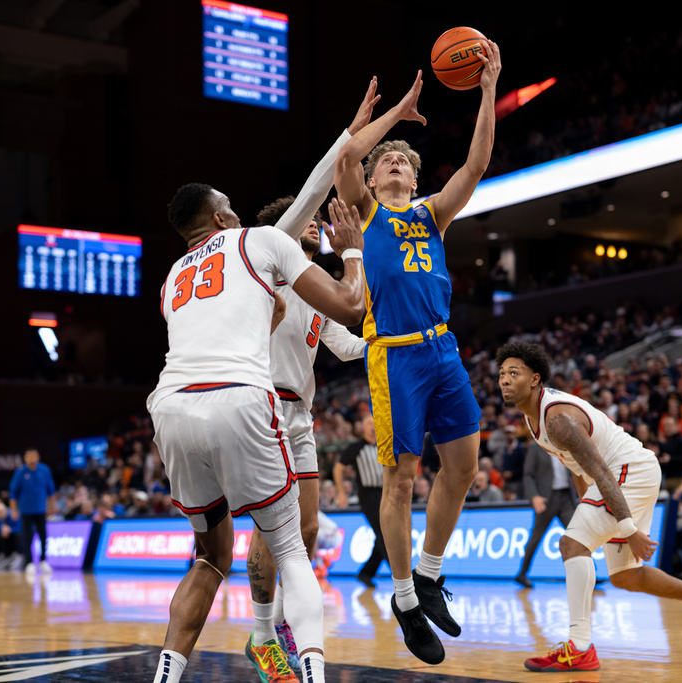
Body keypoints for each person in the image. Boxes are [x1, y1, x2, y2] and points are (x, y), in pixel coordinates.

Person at [145, 182, 367, 683]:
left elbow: (349, 341)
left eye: (313, 219)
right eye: (302, 217)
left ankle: (237, 645)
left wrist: (399, 345)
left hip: (275, 411)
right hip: (249, 400)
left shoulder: (309, 284)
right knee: (282, 540)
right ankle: (267, 633)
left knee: (301, 533)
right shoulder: (260, 257)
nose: (310, 222)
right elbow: (315, 188)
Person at [333, 41, 502, 665]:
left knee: (463, 467)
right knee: (402, 479)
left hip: (444, 351)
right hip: (395, 356)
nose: (400, 164)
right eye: (392, 162)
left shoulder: (432, 217)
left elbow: (476, 164)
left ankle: (429, 576)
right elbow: (348, 151)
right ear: (376, 181)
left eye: (407, 161)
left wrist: (487, 89)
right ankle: (403, 598)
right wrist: (399, 112)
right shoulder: (367, 211)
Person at [496, 341, 682, 672]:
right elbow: (578, 468)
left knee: (571, 544)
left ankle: (579, 647)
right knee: (626, 576)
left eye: (514, 372)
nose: (505, 380)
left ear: (535, 379)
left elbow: (602, 472)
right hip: (627, 474)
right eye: (501, 374)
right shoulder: (533, 419)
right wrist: (590, 511)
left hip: (628, 472)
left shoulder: (557, 418)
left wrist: (627, 530)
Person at [244, 81, 376, 675]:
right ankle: (263, 633)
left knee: (309, 524)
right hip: (259, 405)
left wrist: (392, 336)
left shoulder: (316, 292)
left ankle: (284, 628)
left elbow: (349, 345)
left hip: (301, 414)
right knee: (272, 530)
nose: (317, 236)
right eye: (308, 233)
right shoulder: (266, 274)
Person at [514, 440, 577, 589]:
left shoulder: (565, 444)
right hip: (545, 499)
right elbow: (528, 475)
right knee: (536, 537)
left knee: (578, 535)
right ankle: (522, 574)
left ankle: (590, 575)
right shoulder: (536, 447)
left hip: (566, 497)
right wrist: (534, 496)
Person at [334, 414, 387, 588]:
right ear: (363, 427)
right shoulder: (356, 448)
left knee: (382, 535)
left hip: (386, 493)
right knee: (384, 533)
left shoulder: (384, 445)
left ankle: (366, 573)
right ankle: (401, 576)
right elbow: (338, 468)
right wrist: (341, 492)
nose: (372, 426)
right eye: (369, 423)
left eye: (374, 422)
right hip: (368, 495)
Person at [9, 448, 56, 575]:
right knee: (27, 537)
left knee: (43, 536)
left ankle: (43, 561)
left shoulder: (45, 470)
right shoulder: (20, 472)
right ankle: (29, 562)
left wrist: (52, 506)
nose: (32, 459)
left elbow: (51, 490)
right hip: (26, 511)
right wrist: (14, 510)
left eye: (34, 456)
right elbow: (13, 493)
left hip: (41, 510)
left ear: (38, 457)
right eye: (29, 457)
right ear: (25, 458)